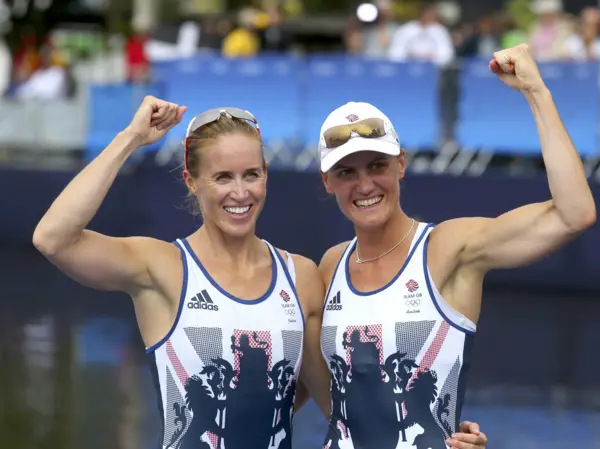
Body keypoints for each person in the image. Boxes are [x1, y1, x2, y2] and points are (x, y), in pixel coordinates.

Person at [32, 99, 488, 449]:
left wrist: (446, 436)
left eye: (251, 174)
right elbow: (54, 238)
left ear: (267, 176)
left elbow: (349, 408)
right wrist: (129, 139)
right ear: (192, 182)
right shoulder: (162, 268)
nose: (240, 192)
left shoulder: (301, 276)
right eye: (222, 177)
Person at [301, 43, 596, 449]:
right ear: (327, 182)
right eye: (347, 172)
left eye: (377, 166)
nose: (365, 185)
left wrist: (536, 92)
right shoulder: (330, 266)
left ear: (401, 165)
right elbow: (321, 398)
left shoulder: (449, 247)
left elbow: (572, 214)